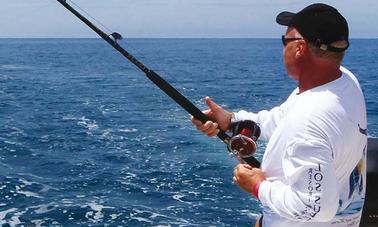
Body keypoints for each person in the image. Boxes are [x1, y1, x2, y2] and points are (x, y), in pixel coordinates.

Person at [191, 3, 367, 227]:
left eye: (285, 41)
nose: (283, 47)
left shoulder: (309, 118)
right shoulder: (343, 82)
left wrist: (258, 186)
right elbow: (283, 118)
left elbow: (316, 208)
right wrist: (232, 121)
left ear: (300, 48)